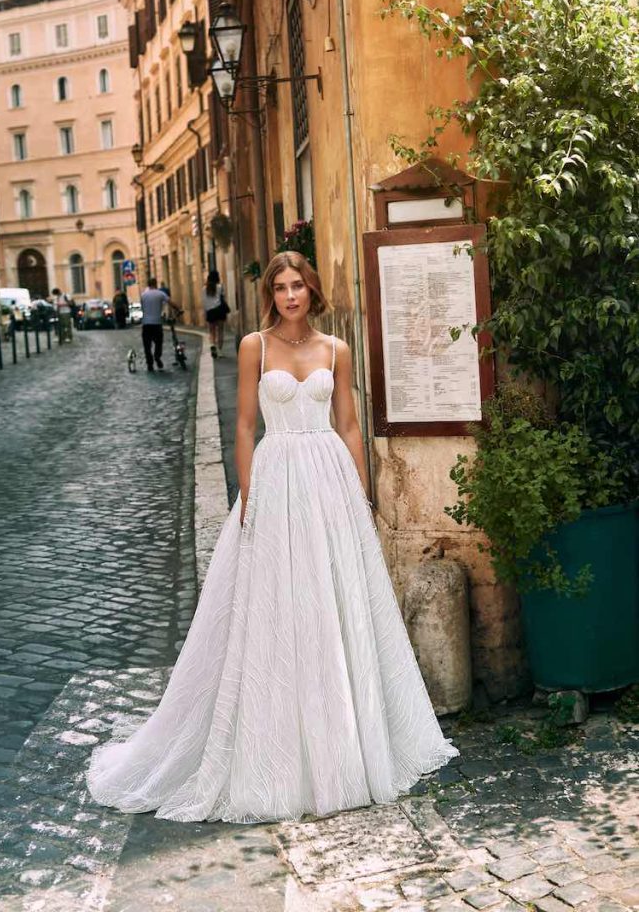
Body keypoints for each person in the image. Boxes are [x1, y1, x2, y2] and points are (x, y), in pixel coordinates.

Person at [87, 250, 458, 824]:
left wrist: (361, 495)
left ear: (312, 291)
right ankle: (279, 744)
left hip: (330, 480)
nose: (290, 296)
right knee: (275, 608)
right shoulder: (254, 347)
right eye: (281, 287)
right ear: (272, 295)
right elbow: (243, 425)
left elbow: (350, 425)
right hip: (277, 477)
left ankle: (347, 744)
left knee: (333, 605)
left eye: (299, 286)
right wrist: (247, 495)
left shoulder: (337, 349)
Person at [141, 277, 176, 371]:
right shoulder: (160, 294)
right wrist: (178, 309)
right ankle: (157, 356)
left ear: (148, 284)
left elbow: (142, 307)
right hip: (157, 322)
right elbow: (170, 302)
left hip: (146, 323)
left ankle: (150, 364)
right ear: (156, 284)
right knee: (158, 342)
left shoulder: (143, 295)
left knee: (147, 345)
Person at [202, 268, 229, 358]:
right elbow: (223, 298)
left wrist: (205, 312)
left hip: (210, 312)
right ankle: (220, 350)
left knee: (212, 331)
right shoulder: (220, 287)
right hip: (219, 311)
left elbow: (204, 302)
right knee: (220, 331)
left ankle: (212, 345)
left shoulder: (204, 289)